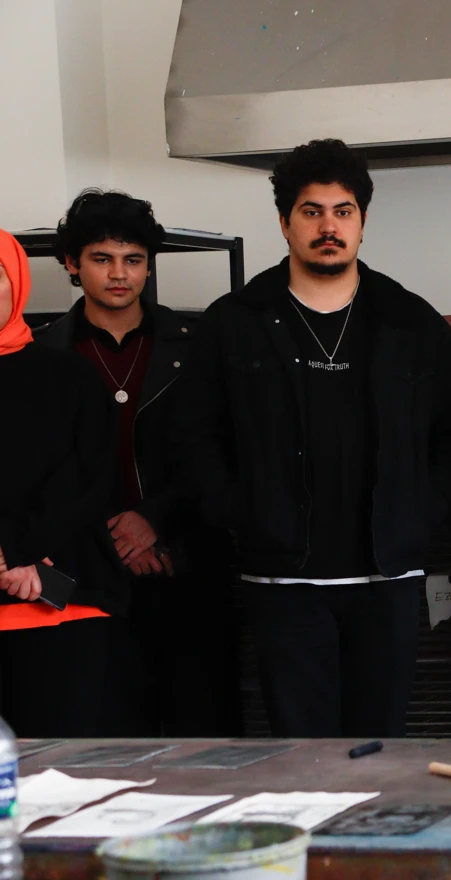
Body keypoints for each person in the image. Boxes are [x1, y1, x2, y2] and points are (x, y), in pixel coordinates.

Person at [180, 138, 451, 737]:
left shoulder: (411, 321)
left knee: (380, 751)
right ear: (284, 222)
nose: (328, 227)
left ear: (363, 221)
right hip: (282, 580)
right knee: (301, 758)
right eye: (311, 211)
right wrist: (240, 511)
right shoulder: (233, 322)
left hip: (387, 578)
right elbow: (195, 435)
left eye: (343, 211)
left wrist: (423, 513)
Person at [36, 189, 240, 737]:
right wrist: (114, 541)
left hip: (188, 566)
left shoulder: (196, 347)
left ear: (149, 266)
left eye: (133, 259)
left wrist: (155, 522)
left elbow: (224, 455)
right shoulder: (43, 355)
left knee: (204, 740)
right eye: (102, 259)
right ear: (72, 263)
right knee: (102, 743)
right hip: (83, 580)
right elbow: (40, 475)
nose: (119, 274)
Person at [0, 230, 127, 736]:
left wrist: (18, 552)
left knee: (60, 773)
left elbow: (88, 480)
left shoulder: (68, 376)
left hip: (59, 603)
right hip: (22, 573)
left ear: (17, 281)